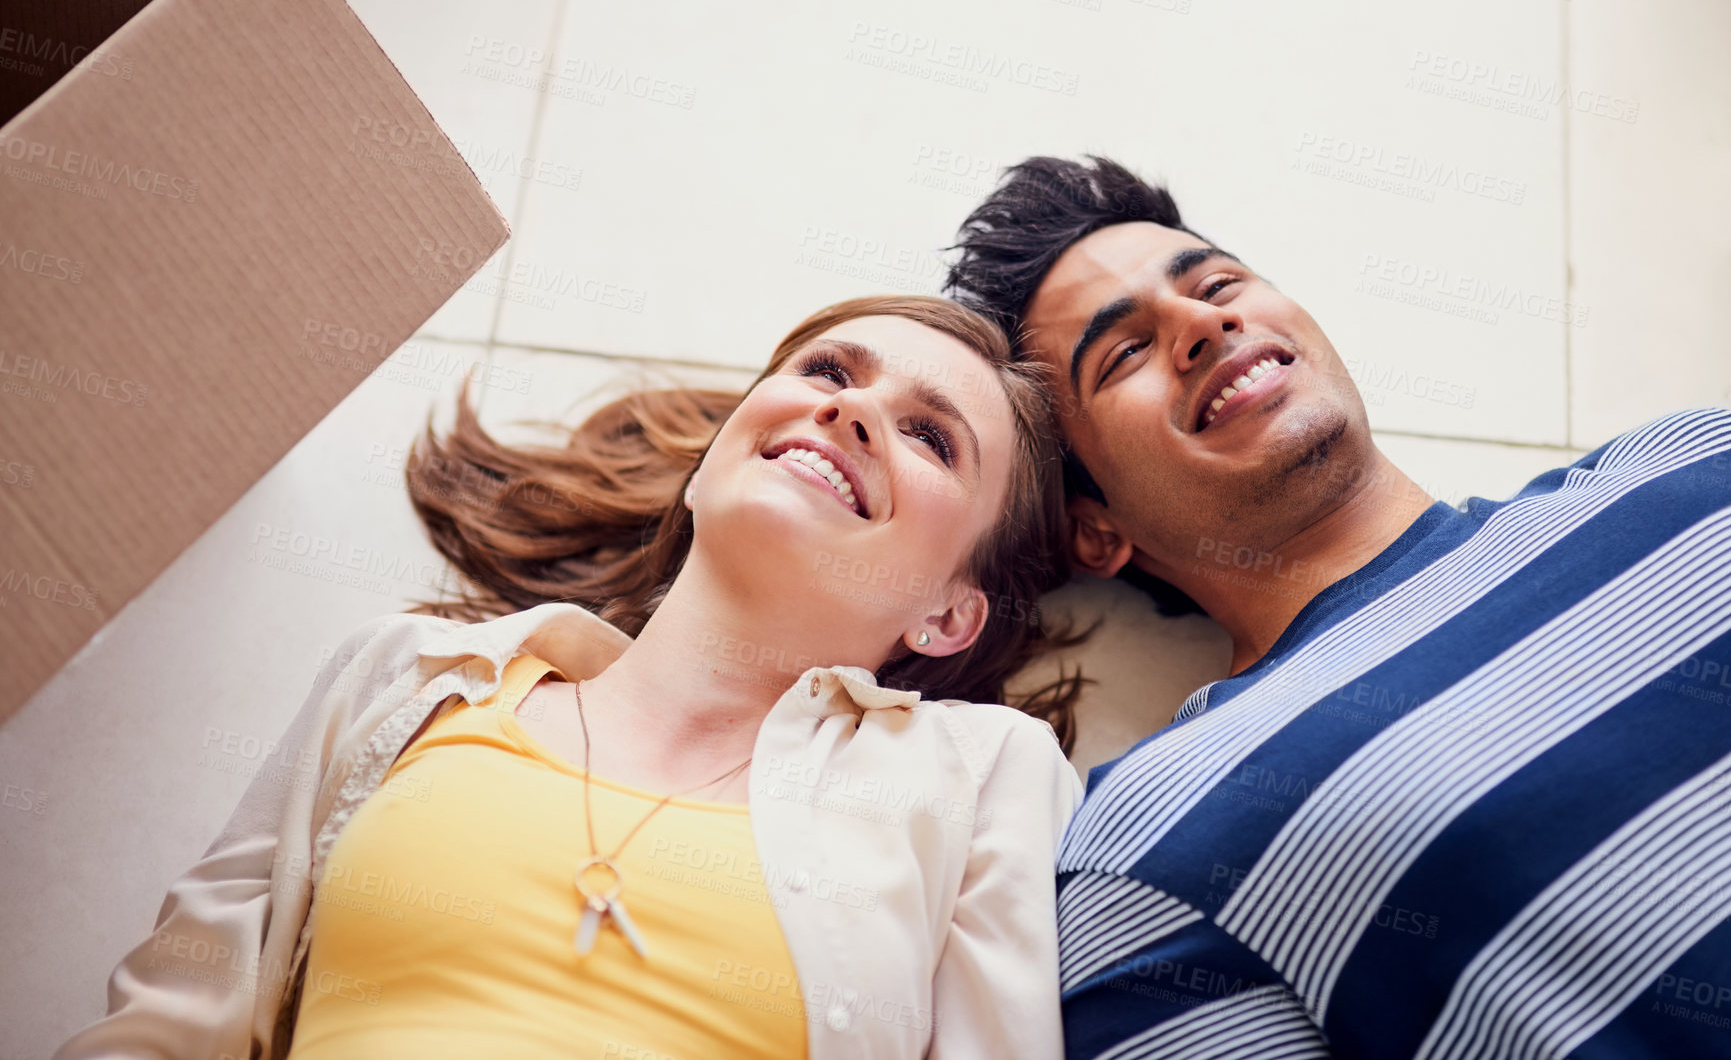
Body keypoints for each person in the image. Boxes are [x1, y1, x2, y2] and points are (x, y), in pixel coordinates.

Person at [54, 295, 1088, 1060]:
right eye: (827, 373)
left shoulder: (982, 772)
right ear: (712, 460)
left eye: (929, 435)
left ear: (950, 613)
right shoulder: (406, 676)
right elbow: (162, 1024)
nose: (854, 413)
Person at [943, 155, 1731, 1059]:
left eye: (1217, 282)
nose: (1203, 322)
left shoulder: (1686, 457)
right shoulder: (1157, 837)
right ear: (1094, 531)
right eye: (1123, 351)